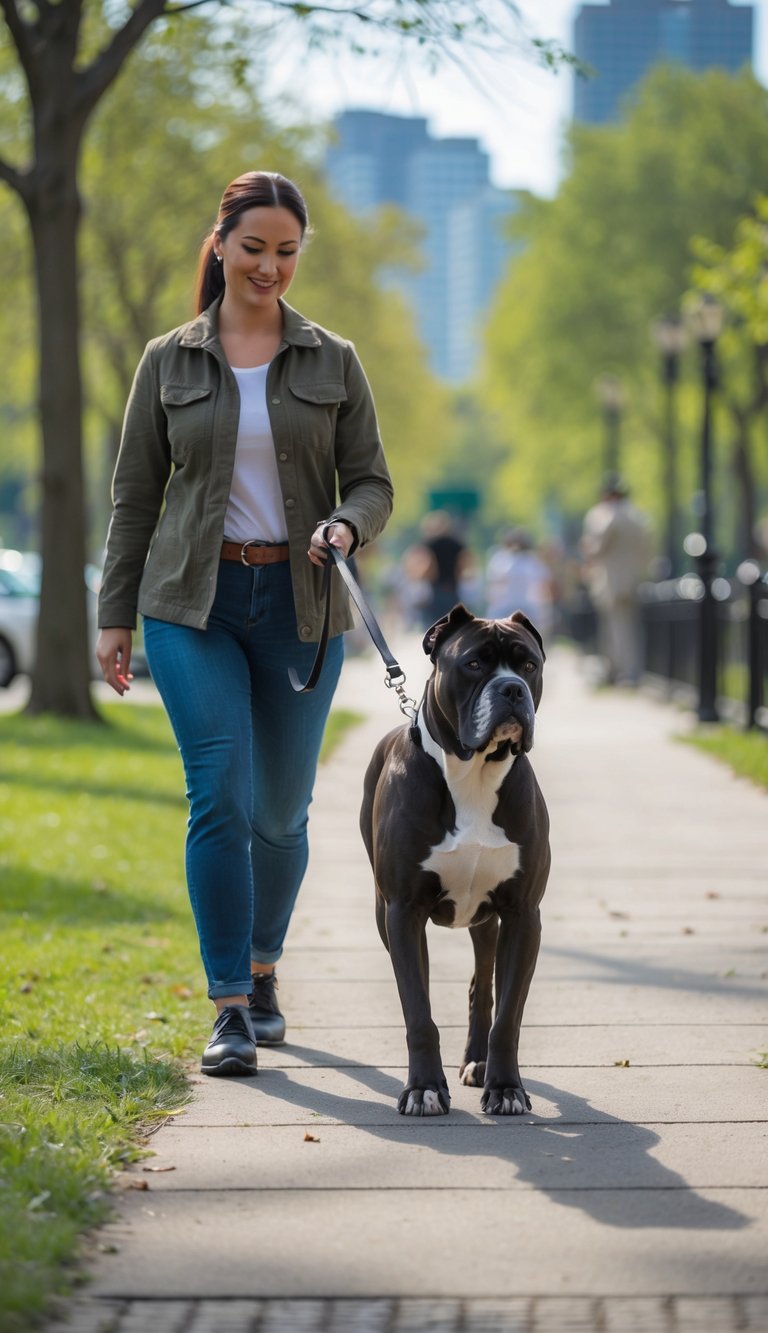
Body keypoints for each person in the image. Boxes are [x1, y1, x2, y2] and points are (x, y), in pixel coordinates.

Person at [96, 171, 393, 1077]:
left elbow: (374, 479)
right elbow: (134, 495)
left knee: (278, 814)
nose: (271, 266)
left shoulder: (333, 359)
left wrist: (349, 523)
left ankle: (266, 966)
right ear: (220, 243)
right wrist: (113, 617)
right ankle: (228, 1002)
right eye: (255, 246)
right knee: (218, 792)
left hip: (300, 608)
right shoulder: (168, 360)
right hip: (192, 604)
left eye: (288, 251)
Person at [580, 473, 652, 687]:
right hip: (635, 578)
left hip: (612, 581)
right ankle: (633, 669)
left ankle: (620, 671)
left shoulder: (608, 516)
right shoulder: (638, 516)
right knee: (631, 627)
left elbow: (597, 547)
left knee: (616, 628)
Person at [485, 527, 555, 640]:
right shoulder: (532, 561)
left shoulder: (502, 560)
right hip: (517, 606)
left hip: (518, 606)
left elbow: (493, 586)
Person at [415, 510, 471, 627]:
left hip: (437, 587)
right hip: (452, 586)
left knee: (436, 623)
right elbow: (464, 564)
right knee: (453, 622)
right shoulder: (457, 543)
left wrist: (421, 578)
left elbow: (431, 565)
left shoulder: (431, 544)